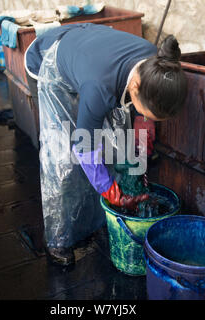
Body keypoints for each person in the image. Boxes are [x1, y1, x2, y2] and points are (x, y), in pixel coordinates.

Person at [24, 23, 188, 266]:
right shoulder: (98, 88)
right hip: (52, 62)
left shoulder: (156, 64)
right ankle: (60, 239)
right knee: (64, 158)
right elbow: (84, 148)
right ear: (135, 87)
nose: (150, 119)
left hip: (92, 57)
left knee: (116, 142)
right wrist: (112, 193)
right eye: (150, 114)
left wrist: (142, 149)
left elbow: (143, 117)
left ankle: (101, 219)